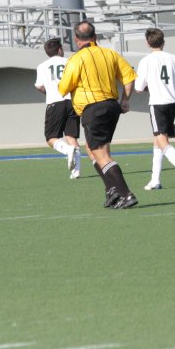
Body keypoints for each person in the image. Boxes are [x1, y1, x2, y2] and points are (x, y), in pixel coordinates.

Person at [58, 21, 139, 209]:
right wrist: (125, 99)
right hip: (112, 106)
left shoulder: (76, 59)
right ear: (95, 37)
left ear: (77, 40)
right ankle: (112, 190)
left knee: (102, 155)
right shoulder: (111, 54)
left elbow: (63, 88)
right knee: (93, 150)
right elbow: (129, 77)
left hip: (93, 109)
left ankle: (125, 194)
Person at [134, 28, 175, 191]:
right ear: (163, 41)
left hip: (157, 104)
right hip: (172, 103)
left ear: (147, 43)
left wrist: (151, 86)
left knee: (162, 140)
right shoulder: (174, 59)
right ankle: (155, 180)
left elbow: (138, 88)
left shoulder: (145, 61)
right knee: (157, 141)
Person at [35, 37, 82, 179]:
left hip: (55, 102)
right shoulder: (70, 61)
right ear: (60, 49)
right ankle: (76, 171)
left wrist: (49, 92)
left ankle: (68, 150)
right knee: (71, 135)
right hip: (71, 102)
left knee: (51, 138)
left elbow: (39, 86)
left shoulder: (42, 66)